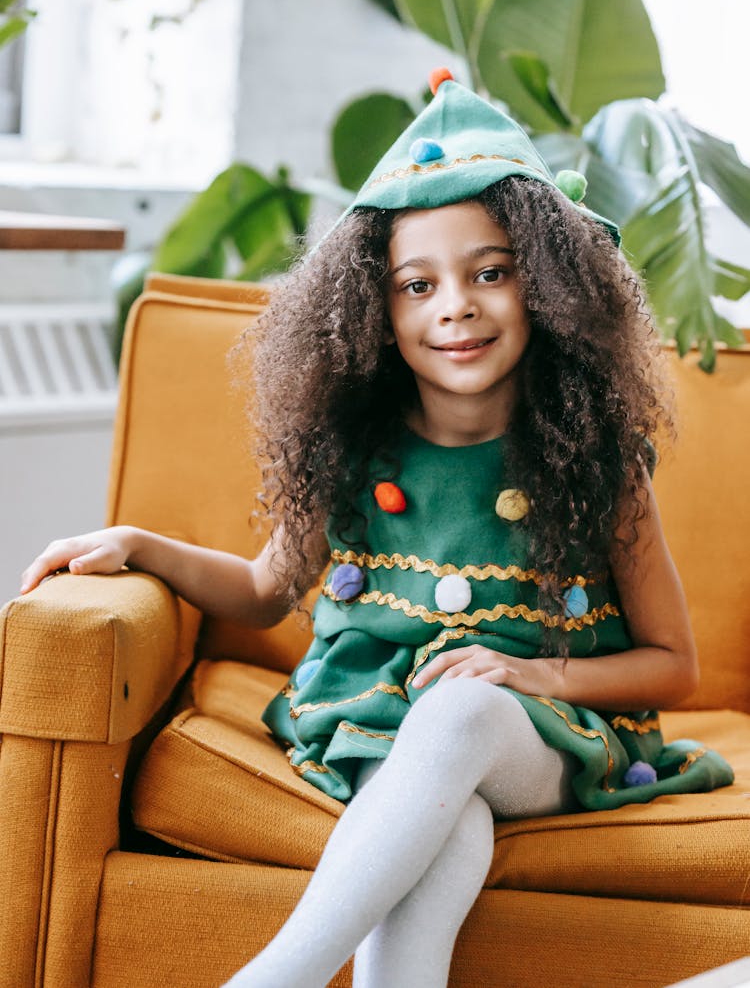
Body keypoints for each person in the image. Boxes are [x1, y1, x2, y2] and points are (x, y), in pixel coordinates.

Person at [20, 70, 733, 988]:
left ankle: (271, 979)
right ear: (373, 309)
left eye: (492, 272)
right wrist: (139, 544)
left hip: (546, 737)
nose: (456, 305)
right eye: (416, 283)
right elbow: (264, 587)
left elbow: (674, 665)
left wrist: (527, 672)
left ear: (549, 286)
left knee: (468, 707)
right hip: (381, 732)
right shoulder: (355, 451)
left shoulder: (601, 464)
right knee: (451, 832)